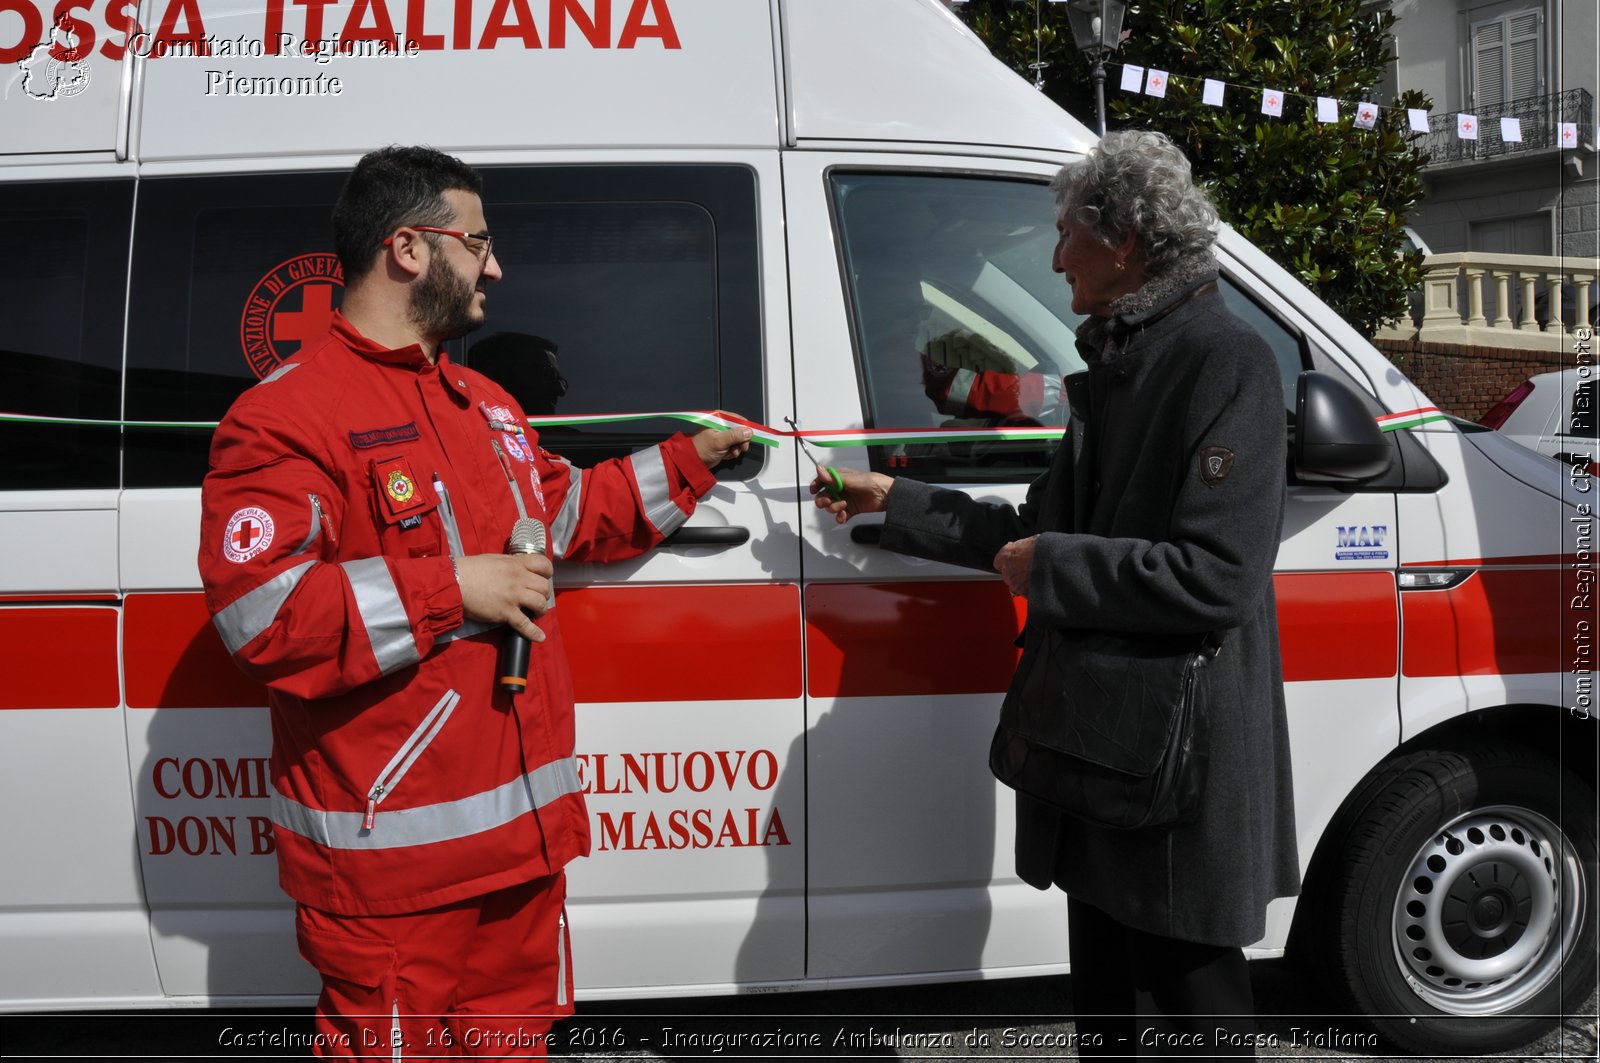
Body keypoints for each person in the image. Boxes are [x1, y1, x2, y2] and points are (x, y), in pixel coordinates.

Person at [198, 145, 750, 1058]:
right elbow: (261, 613)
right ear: (409, 249)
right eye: (478, 241)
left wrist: (693, 459)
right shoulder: (282, 417)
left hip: (520, 851)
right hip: (394, 875)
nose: (495, 265)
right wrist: (456, 586)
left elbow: (567, 512)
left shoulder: (482, 401)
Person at [812, 130, 1298, 1057]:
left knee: (1186, 1011)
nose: (1053, 255)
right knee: (1113, 1024)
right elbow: (1030, 540)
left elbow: (1219, 576)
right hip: (1108, 758)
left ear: (1122, 240)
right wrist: (893, 501)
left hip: (1171, 772)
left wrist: (1054, 568)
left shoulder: (1224, 359)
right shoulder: (1121, 361)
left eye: (1066, 231)